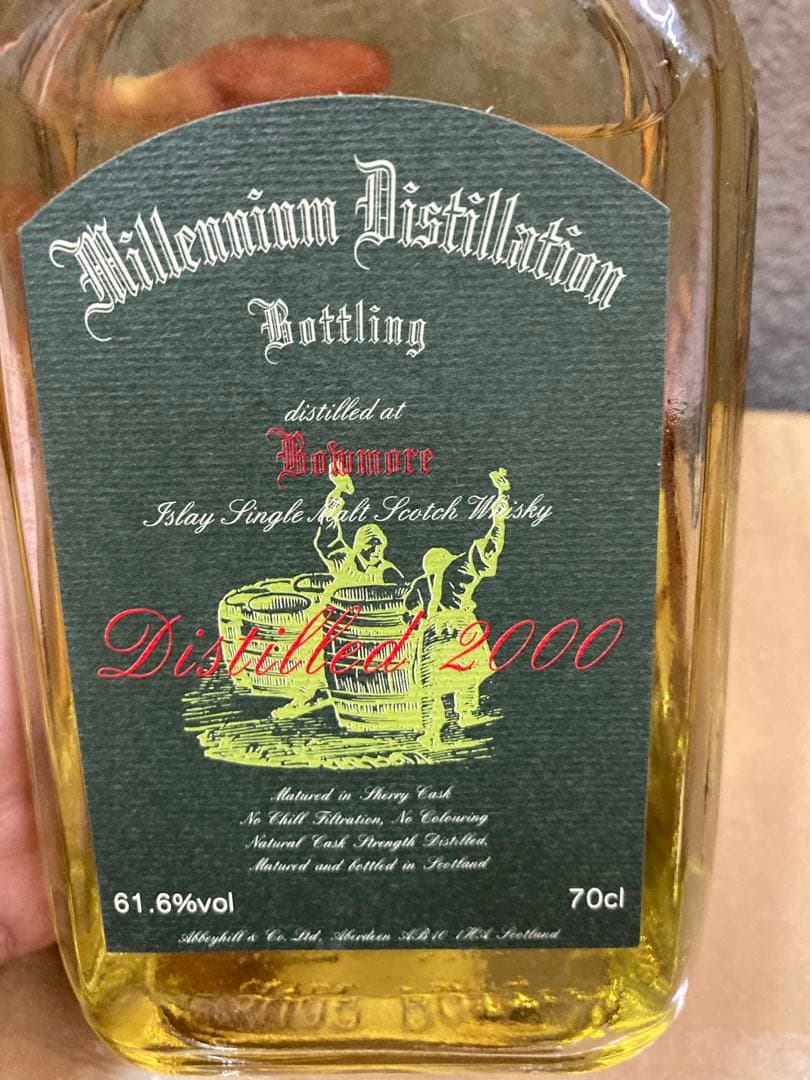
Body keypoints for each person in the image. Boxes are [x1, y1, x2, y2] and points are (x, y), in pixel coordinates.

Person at [271, 468, 402, 720]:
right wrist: (337, 495)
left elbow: (401, 597)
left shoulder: (387, 572)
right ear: (359, 546)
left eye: (380, 546)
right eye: (370, 545)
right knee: (313, 655)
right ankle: (305, 697)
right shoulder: (345, 561)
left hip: (368, 633)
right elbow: (328, 539)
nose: (376, 551)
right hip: (334, 625)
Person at [408, 468, 510, 745]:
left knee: (431, 685)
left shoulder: (421, 584)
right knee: (467, 673)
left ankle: (433, 730)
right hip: (461, 626)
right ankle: (465, 713)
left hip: (433, 634)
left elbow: (409, 611)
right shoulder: (457, 569)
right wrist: (501, 504)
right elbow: (490, 547)